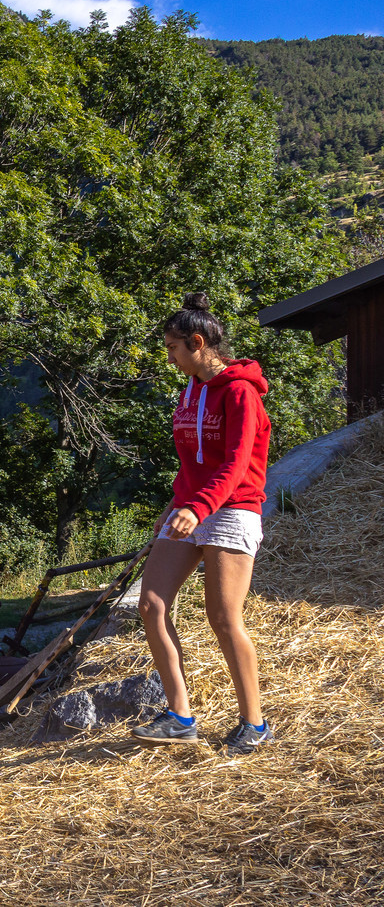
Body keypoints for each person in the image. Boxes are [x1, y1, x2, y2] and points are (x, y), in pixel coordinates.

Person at [132, 293, 273, 755]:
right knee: (151, 604)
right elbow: (192, 460)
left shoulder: (240, 392)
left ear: (197, 343)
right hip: (192, 507)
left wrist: (199, 506)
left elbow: (235, 464)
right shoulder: (190, 388)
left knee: (223, 618)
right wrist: (177, 503)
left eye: (174, 349)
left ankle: (254, 723)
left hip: (233, 509)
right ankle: (179, 716)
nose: (170, 358)